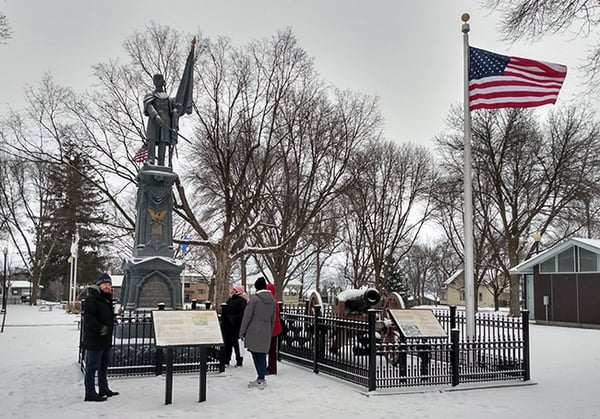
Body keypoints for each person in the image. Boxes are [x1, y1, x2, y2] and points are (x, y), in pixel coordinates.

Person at [81, 273, 119, 402]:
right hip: (94, 339)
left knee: (103, 366)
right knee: (92, 367)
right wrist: (100, 328)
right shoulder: (92, 299)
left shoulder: (107, 299)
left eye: (109, 284)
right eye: (105, 284)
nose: (108, 286)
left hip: (105, 340)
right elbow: (89, 318)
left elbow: (106, 316)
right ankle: (90, 393)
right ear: (99, 285)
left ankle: (104, 389)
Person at [239, 277, 275, 389]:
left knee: (255, 354)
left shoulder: (254, 299)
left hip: (253, 331)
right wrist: (269, 330)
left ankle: (260, 378)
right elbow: (273, 318)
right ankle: (261, 377)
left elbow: (247, 317)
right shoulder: (273, 301)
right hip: (266, 330)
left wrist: (242, 332)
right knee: (262, 355)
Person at [143, 73, 179, 167]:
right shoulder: (150, 95)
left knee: (163, 141)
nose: (157, 82)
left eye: (159, 79)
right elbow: (148, 106)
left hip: (166, 121)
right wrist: (155, 116)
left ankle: (161, 163)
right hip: (154, 121)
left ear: (163, 82)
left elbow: (173, 110)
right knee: (151, 139)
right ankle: (150, 159)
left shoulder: (169, 99)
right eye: (155, 80)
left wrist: (175, 115)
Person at [223, 285, 248, 367]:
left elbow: (243, 313)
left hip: (237, 326)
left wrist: (234, 318)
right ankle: (226, 360)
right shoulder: (230, 300)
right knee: (228, 344)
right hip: (228, 325)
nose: (232, 291)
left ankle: (239, 361)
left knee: (237, 345)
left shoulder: (242, 301)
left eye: (234, 290)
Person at [266, 283, 283, 375]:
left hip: (272, 329)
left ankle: (272, 369)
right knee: (271, 349)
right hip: (274, 328)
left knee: (272, 350)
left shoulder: (271, 302)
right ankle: (271, 367)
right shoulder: (274, 301)